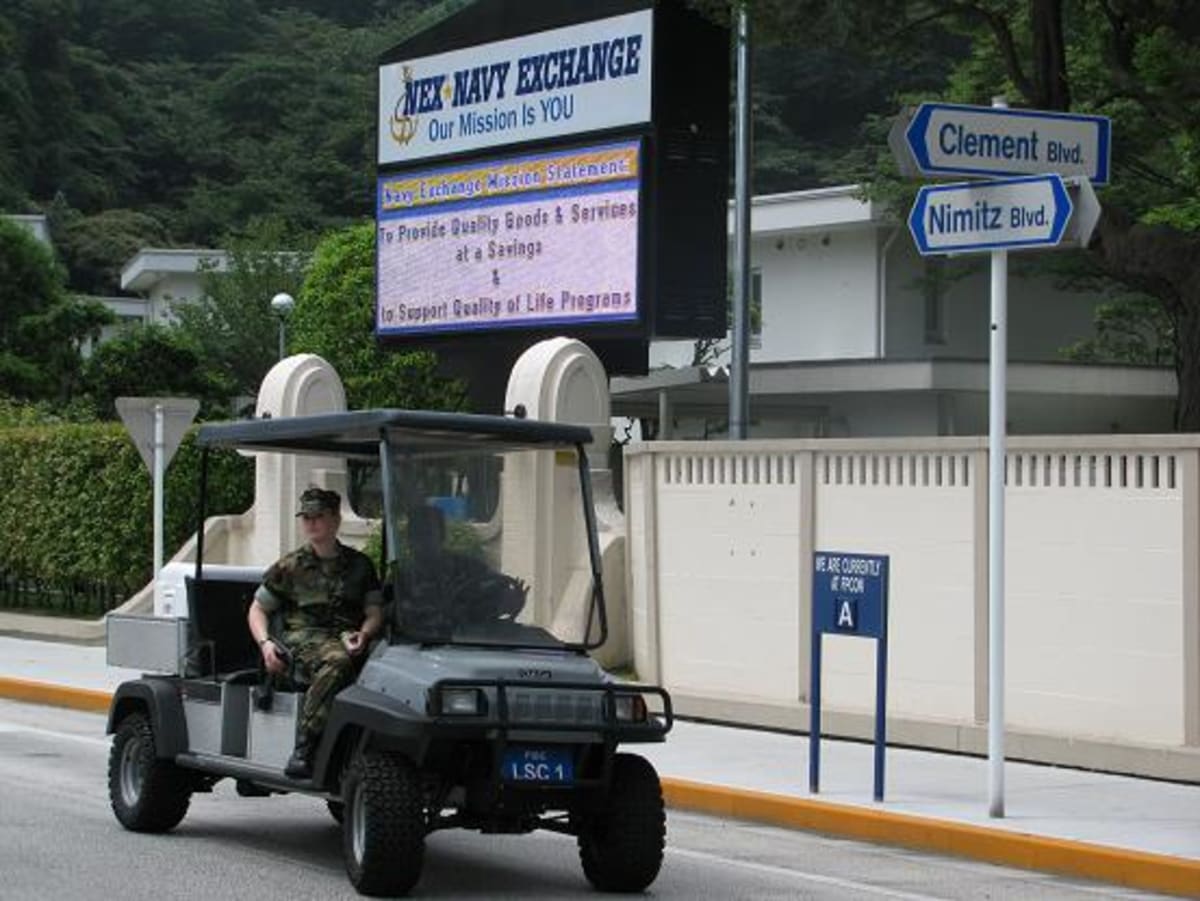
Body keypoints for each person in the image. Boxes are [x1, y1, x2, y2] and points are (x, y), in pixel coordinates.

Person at [247, 487, 383, 779]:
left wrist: (365, 634)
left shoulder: (360, 566)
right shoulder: (291, 566)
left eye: (318, 516)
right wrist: (266, 645)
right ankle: (305, 746)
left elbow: (374, 612)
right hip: (303, 640)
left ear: (336, 519)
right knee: (337, 662)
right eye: (306, 517)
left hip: (348, 636)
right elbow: (257, 610)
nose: (311, 523)